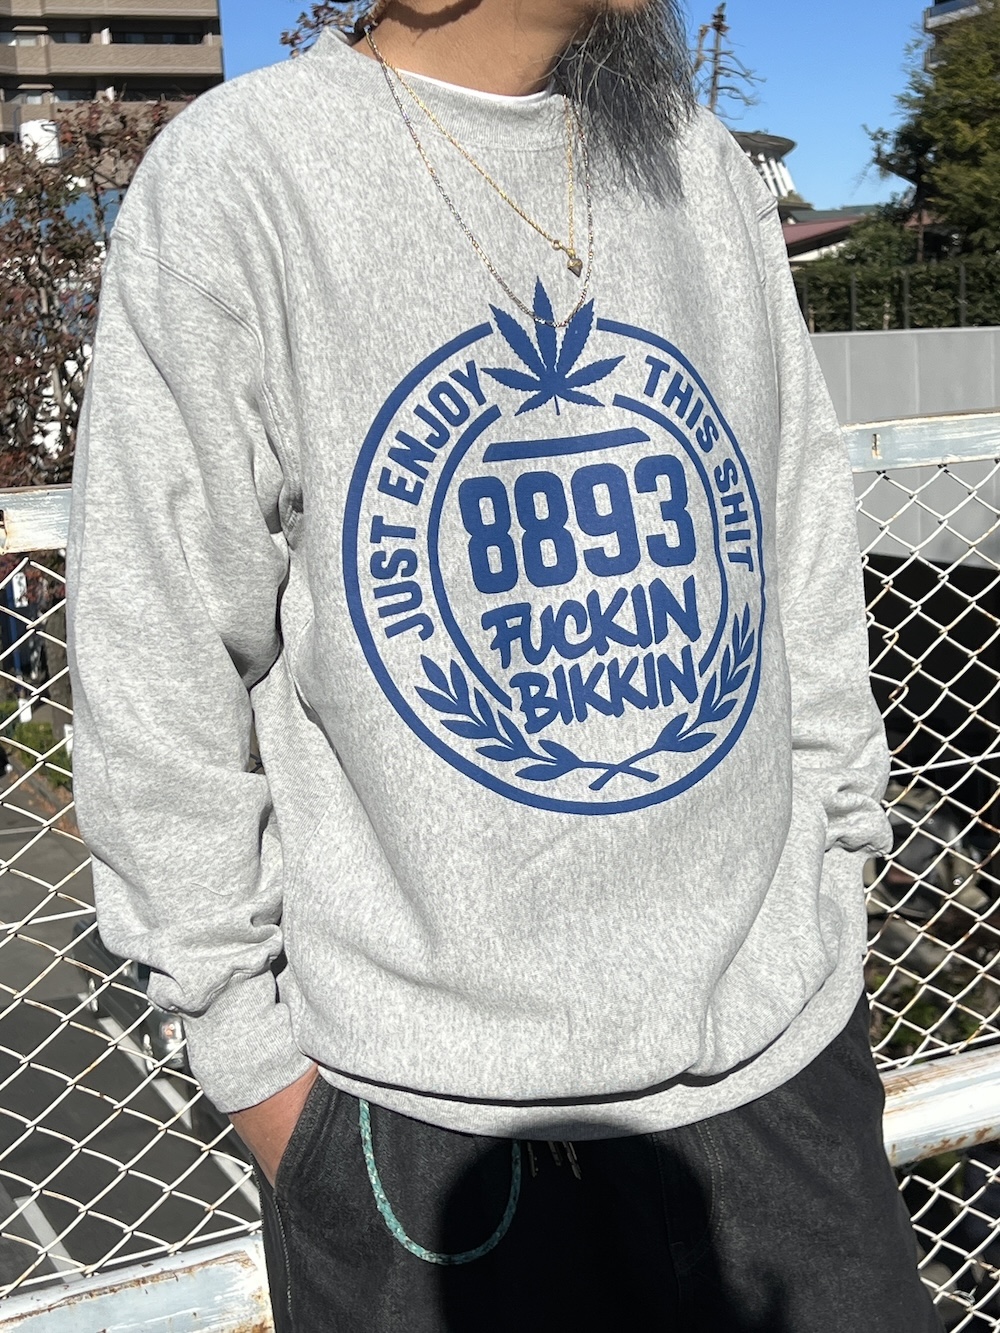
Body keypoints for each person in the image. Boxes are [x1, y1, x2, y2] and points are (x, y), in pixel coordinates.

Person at [65, 1, 944, 1329]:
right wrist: (262, 1078)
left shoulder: (699, 164)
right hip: (421, 1146)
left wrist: (837, 880)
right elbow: (157, 666)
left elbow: (799, 552)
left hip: (787, 1085)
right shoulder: (245, 177)